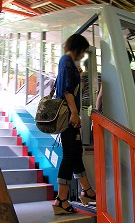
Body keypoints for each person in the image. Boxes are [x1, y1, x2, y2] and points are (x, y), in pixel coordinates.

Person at [53, 34, 96, 215]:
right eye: (83, 51)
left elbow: (73, 90)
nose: (83, 55)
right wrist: (75, 113)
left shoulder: (68, 63)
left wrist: (79, 79)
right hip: (69, 116)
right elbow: (66, 91)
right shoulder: (66, 61)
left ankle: (87, 191)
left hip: (72, 115)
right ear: (78, 48)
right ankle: (61, 199)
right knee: (70, 154)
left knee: (76, 152)